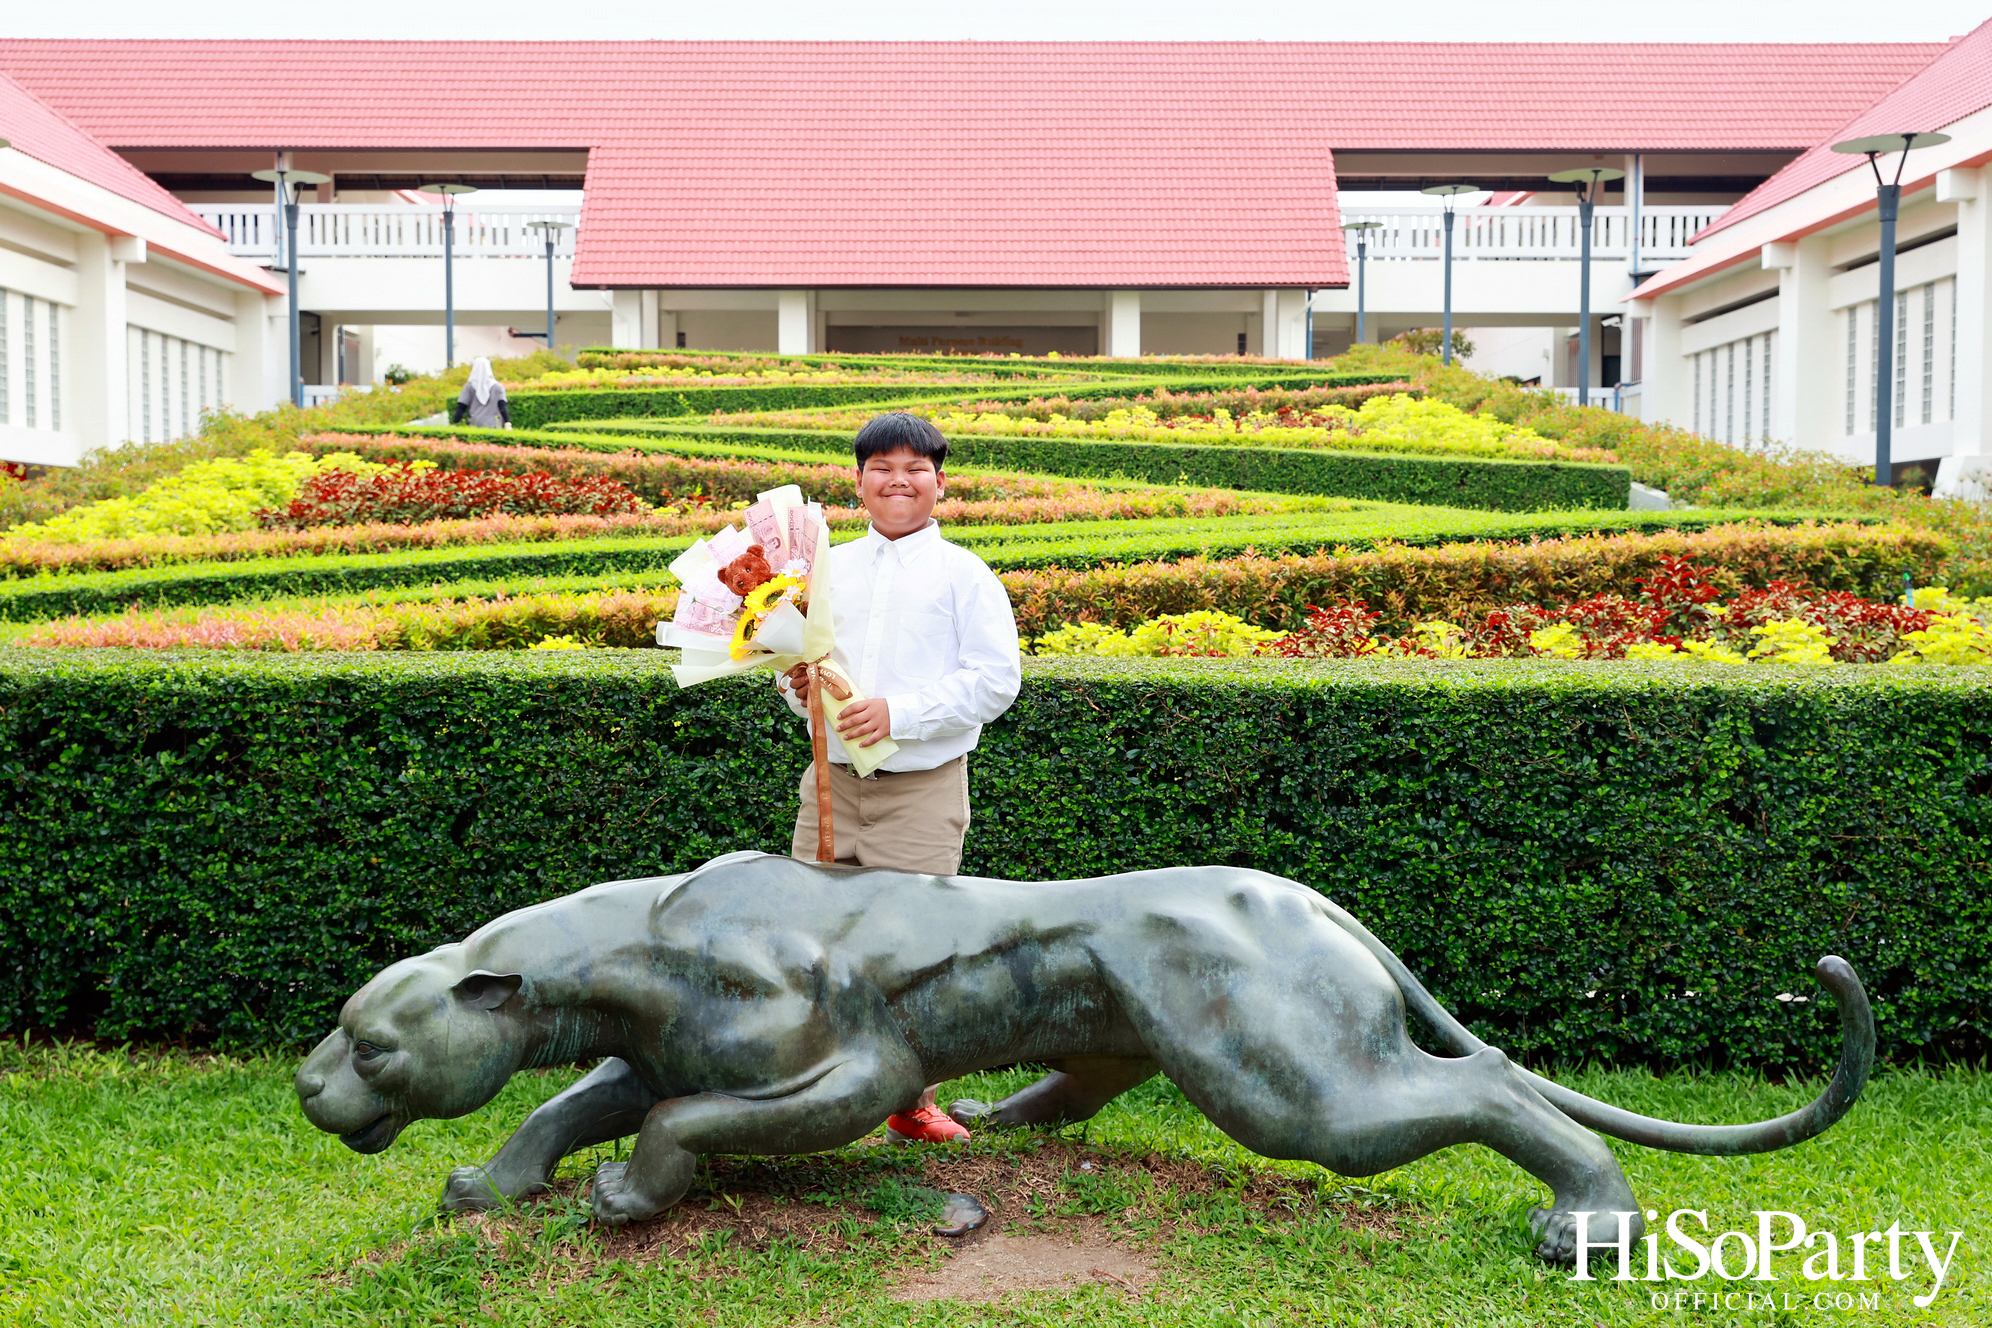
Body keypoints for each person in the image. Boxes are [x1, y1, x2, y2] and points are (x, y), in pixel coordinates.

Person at [776, 411, 1022, 1145]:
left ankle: (911, 1101)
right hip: (830, 788)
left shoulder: (965, 576)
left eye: (915, 468)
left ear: (940, 484)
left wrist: (900, 714)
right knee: (812, 943)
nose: (898, 480)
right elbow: (805, 673)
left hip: (921, 790)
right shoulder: (827, 570)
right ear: (858, 484)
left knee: (914, 953)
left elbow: (996, 681)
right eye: (881, 467)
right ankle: (809, 1093)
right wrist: (795, 686)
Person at [450, 357, 511, 428]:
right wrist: (507, 422)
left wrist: (455, 423)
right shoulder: (497, 387)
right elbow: (502, 406)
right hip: (493, 424)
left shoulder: (470, 386)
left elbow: (462, 407)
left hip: (475, 423)